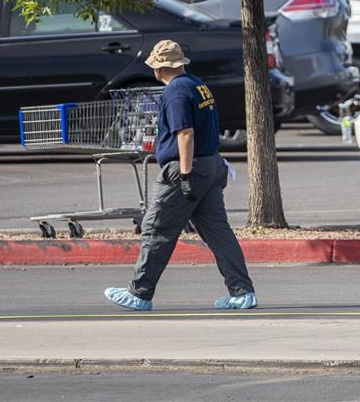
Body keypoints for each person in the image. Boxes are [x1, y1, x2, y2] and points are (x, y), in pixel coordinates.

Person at [105, 40, 257, 311]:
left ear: (159, 68)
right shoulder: (198, 85)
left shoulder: (174, 92)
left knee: (157, 228)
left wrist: (185, 175)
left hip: (187, 168)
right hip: (211, 165)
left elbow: (185, 134)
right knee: (218, 232)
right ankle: (242, 291)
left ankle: (140, 292)